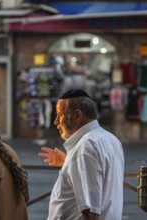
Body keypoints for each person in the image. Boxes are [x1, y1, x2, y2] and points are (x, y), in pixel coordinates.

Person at [38, 89, 125, 220]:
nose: (56, 121)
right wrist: (69, 163)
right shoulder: (111, 139)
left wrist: (76, 159)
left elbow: (91, 211)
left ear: (78, 115)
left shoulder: (85, 148)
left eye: (60, 115)